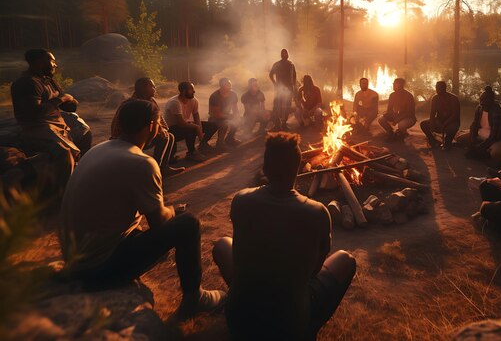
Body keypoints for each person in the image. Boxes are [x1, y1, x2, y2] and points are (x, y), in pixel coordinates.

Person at [60, 100, 224, 316]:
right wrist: (173, 211)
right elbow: (159, 222)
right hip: (97, 269)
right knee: (188, 223)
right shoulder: (141, 162)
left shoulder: (98, 150)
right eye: (159, 124)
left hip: (74, 260)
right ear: (151, 126)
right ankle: (195, 297)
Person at [212, 132, 356, 340]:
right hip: (289, 325)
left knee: (222, 244)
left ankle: (250, 303)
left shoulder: (241, 199)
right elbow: (314, 270)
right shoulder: (317, 212)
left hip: (238, 320)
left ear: (265, 168)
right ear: (298, 169)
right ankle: (309, 326)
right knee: (345, 260)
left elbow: (242, 248)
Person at [10, 49, 81, 194]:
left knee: (83, 130)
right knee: (64, 151)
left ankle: (79, 174)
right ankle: (64, 193)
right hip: (35, 127)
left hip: (54, 123)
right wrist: (61, 99)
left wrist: (70, 101)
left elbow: (67, 104)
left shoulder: (47, 79)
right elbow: (33, 113)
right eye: (52, 61)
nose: (55, 65)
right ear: (39, 62)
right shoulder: (27, 83)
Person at [111, 77, 184, 177]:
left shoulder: (151, 101)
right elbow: (118, 127)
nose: (155, 89)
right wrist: (159, 130)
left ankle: (163, 167)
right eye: (153, 86)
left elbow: (160, 120)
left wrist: (162, 129)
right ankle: (154, 171)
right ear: (144, 88)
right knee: (165, 137)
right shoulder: (130, 104)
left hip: (142, 136)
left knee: (169, 136)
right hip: (128, 138)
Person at [456, 86, 501, 164]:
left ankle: (494, 155)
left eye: (485, 100)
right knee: (460, 139)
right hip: (482, 134)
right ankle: (483, 151)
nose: (481, 102)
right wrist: (473, 138)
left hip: (499, 139)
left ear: (492, 100)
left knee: (495, 153)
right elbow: (474, 124)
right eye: (481, 99)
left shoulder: (498, 112)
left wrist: (480, 146)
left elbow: (494, 136)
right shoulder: (479, 108)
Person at [163, 82, 205, 162]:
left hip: (182, 125)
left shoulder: (193, 100)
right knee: (191, 128)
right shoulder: (175, 102)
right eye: (191, 89)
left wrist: (200, 132)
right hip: (170, 129)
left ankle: (204, 145)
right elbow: (181, 123)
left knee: (212, 125)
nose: (194, 91)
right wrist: (197, 127)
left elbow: (196, 117)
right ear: (183, 91)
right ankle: (191, 153)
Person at [202, 78, 241, 150]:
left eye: (230, 84)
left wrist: (237, 116)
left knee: (237, 120)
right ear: (222, 86)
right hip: (214, 117)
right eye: (228, 84)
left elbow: (235, 109)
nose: (230, 86)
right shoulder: (215, 96)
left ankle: (229, 139)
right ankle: (219, 144)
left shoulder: (233, 94)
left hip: (226, 116)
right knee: (224, 123)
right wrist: (230, 117)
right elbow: (217, 115)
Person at [420, 81, 460, 150]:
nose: (437, 90)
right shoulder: (435, 98)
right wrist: (432, 122)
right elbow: (432, 113)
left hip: (451, 122)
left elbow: (455, 115)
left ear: (445, 88)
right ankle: (432, 140)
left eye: (440, 88)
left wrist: (445, 124)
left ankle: (448, 142)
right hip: (439, 120)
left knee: (452, 127)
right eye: (437, 88)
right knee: (423, 124)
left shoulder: (453, 98)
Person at [269, 49, 297, 131]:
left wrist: (294, 87)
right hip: (279, 89)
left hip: (289, 89)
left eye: (286, 53)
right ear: (281, 55)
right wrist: (275, 83)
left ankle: (284, 123)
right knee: (277, 106)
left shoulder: (291, 65)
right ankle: (277, 124)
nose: (285, 55)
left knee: (287, 107)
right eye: (283, 53)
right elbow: (271, 74)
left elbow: (294, 77)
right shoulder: (277, 64)